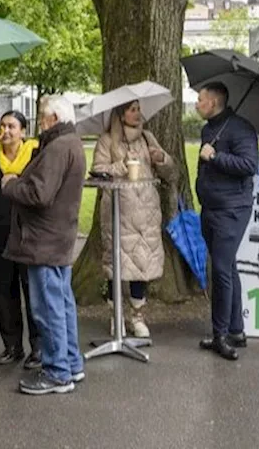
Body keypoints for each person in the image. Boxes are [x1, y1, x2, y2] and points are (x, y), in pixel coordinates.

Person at [2, 96, 87, 395]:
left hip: (44, 239)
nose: (39, 121)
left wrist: (10, 184)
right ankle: (71, 363)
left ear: (53, 118)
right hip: (58, 236)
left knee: (48, 308)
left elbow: (39, 194)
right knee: (62, 304)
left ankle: (57, 372)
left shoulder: (58, 147)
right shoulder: (72, 143)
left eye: (41, 116)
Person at [91, 100, 174, 338]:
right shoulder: (107, 141)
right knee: (115, 266)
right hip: (118, 212)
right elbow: (98, 169)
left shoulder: (148, 138)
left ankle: (138, 316)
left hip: (146, 212)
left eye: (139, 109)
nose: (138, 114)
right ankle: (115, 317)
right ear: (121, 114)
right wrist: (121, 166)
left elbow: (170, 173)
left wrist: (162, 159)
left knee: (141, 264)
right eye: (132, 110)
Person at [194, 82, 259, 361]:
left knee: (220, 270)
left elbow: (248, 165)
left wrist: (216, 156)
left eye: (200, 100)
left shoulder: (240, 128)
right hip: (211, 207)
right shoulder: (209, 128)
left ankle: (220, 334)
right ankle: (236, 329)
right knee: (228, 267)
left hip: (232, 209)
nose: (196, 104)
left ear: (214, 102)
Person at [0, 111, 42, 368]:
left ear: (23, 131)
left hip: (28, 234)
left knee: (32, 291)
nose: (6, 130)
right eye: (3, 125)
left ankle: (38, 347)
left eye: (12, 126)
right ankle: (12, 345)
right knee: (4, 292)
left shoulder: (35, 155)